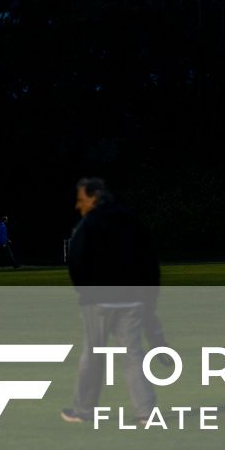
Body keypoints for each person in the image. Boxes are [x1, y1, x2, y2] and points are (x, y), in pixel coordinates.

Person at [61, 178, 160, 425]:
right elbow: (149, 261)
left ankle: (84, 410)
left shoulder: (89, 224)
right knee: (134, 355)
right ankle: (146, 412)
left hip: (98, 301)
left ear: (93, 198)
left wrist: (85, 291)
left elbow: (76, 260)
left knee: (93, 355)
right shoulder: (131, 220)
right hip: (132, 300)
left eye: (81, 199)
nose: (77, 205)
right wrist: (148, 297)